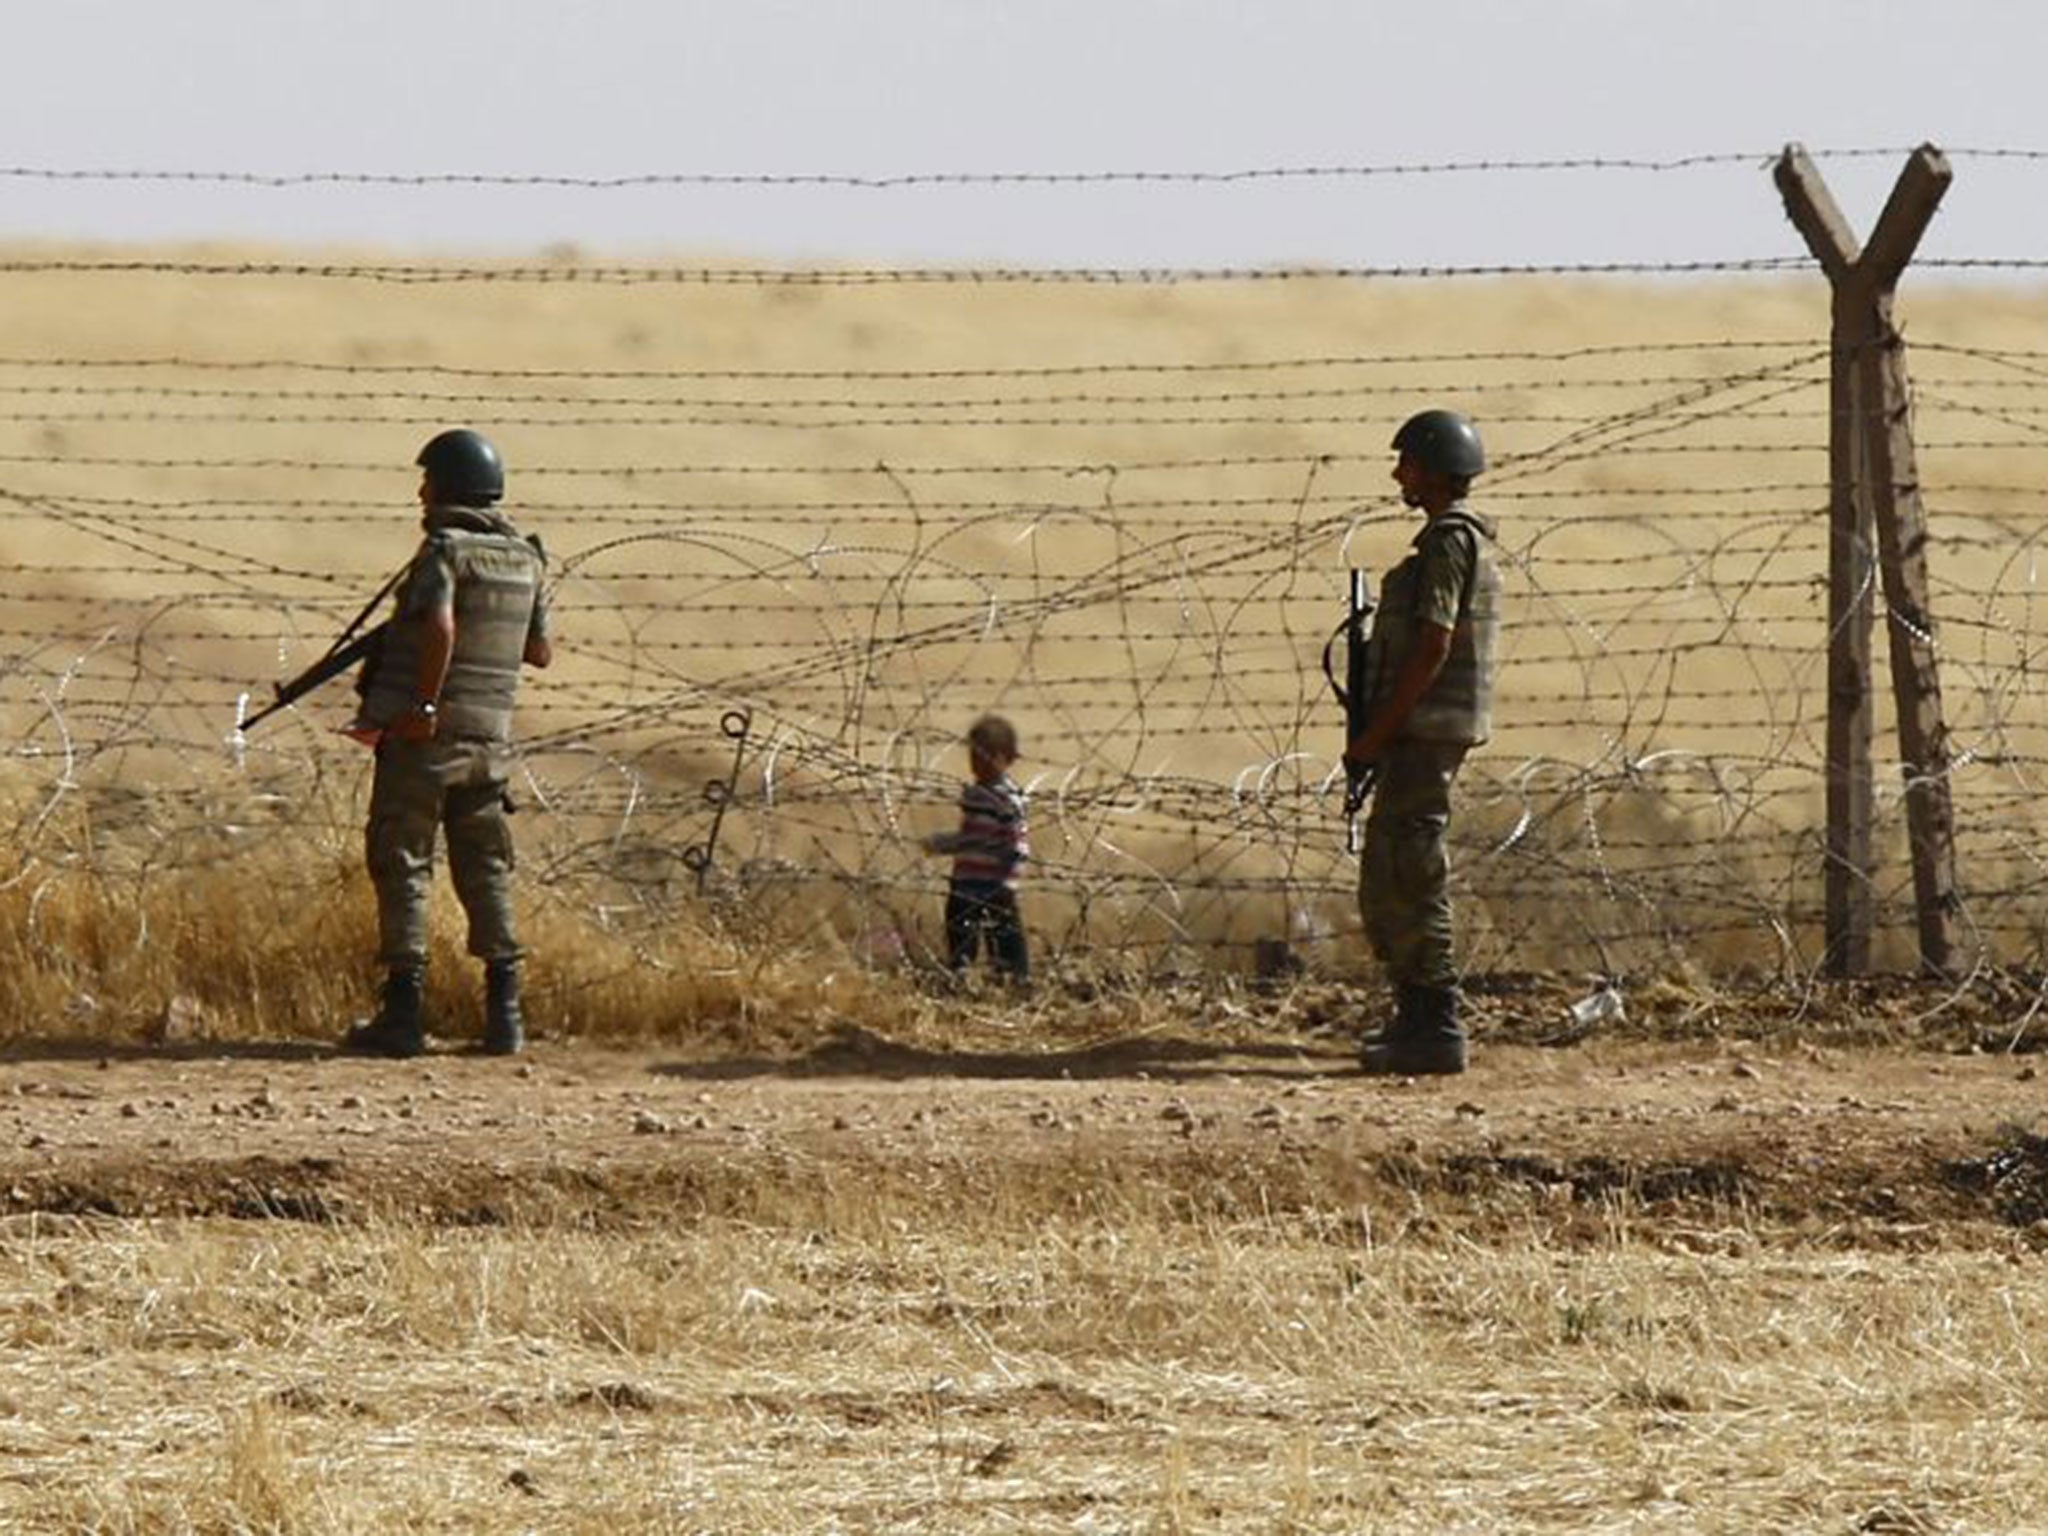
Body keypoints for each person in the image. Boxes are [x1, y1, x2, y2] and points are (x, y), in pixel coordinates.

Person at [341, 428, 552, 1058]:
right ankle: (504, 1013)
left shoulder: (445, 552)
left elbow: (438, 625)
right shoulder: (526, 559)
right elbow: (538, 652)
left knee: (403, 860)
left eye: (428, 480)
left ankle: (402, 1013)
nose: (420, 491)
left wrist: (425, 704)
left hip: (427, 741)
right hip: (489, 741)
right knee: (486, 867)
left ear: (449, 488)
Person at [1343, 409, 1502, 1075]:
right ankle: (1417, 1012)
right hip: (1419, 730)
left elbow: (1434, 643)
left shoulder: (1448, 543)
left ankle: (1436, 1023)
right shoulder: (1446, 539)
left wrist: (1376, 734)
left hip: (1423, 731)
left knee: (1412, 868)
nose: (1398, 474)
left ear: (1434, 469)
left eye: (1407, 462)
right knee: (1389, 869)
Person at [922, 714, 1031, 986]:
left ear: (1005, 758)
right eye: (973, 754)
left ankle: (1014, 983)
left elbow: (1017, 843)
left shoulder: (1007, 798)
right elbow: (971, 838)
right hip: (965, 882)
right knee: (959, 934)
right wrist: (942, 844)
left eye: (984, 756)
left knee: (1005, 939)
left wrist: (1009, 883)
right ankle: (961, 979)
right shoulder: (974, 794)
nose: (976, 762)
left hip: (995, 886)